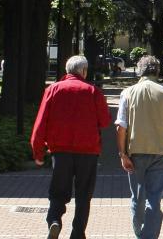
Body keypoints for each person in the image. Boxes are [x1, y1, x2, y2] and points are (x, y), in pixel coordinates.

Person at [30, 56, 110, 239]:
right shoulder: (93, 91)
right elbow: (105, 121)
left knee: (58, 191)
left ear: (67, 71)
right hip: (88, 151)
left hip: (60, 151)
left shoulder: (53, 89)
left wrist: (38, 152)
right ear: (84, 71)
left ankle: (54, 220)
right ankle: (78, 233)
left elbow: (40, 123)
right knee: (84, 195)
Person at [116, 55, 163, 239]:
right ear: (157, 71)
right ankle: (149, 236)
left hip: (135, 152)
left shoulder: (128, 93)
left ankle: (141, 234)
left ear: (139, 71)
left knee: (137, 198)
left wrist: (122, 153)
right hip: (161, 152)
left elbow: (121, 126)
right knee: (154, 199)